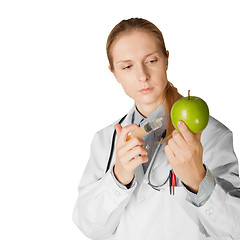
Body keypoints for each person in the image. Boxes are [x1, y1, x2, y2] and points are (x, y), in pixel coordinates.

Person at [72, 18, 240, 239]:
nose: (142, 76)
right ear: (114, 73)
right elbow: (89, 226)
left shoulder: (211, 135)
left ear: (166, 60)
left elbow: (235, 230)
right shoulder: (105, 140)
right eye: (128, 66)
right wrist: (118, 177)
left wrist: (199, 181)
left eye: (151, 60)